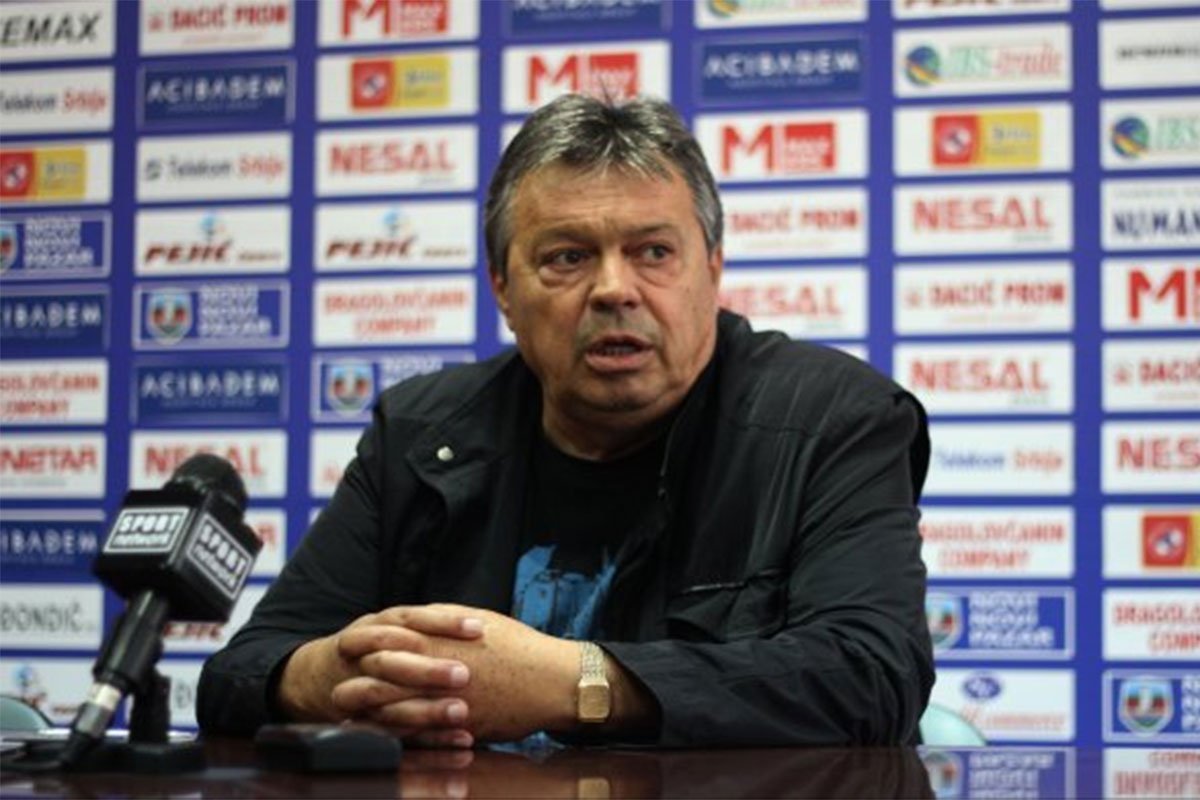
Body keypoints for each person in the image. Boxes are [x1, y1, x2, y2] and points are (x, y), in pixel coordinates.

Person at [197, 94, 934, 747]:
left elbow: (872, 675)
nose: (614, 289)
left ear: (713, 270)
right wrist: (326, 678)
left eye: (653, 252)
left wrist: (576, 684)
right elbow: (240, 672)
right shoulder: (422, 434)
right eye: (568, 257)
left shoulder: (832, 420)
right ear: (502, 290)